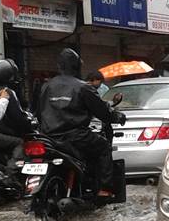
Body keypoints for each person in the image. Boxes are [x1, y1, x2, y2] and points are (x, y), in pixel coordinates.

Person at [39, 48, 126, 199]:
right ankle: (104, 190)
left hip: (48, 138)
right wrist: (117, 117)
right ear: (77, 66)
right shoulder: (83, 87)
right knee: (104, 147)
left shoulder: (46, 86)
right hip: (75, 137)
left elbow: (36, 111)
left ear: (59, 66)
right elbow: (103, 112)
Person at [0, 59, 33, 138]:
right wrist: (28, 124)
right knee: (21, 142)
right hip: (6, 134)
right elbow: (17, 117)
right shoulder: (8, 92)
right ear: (7, 75)